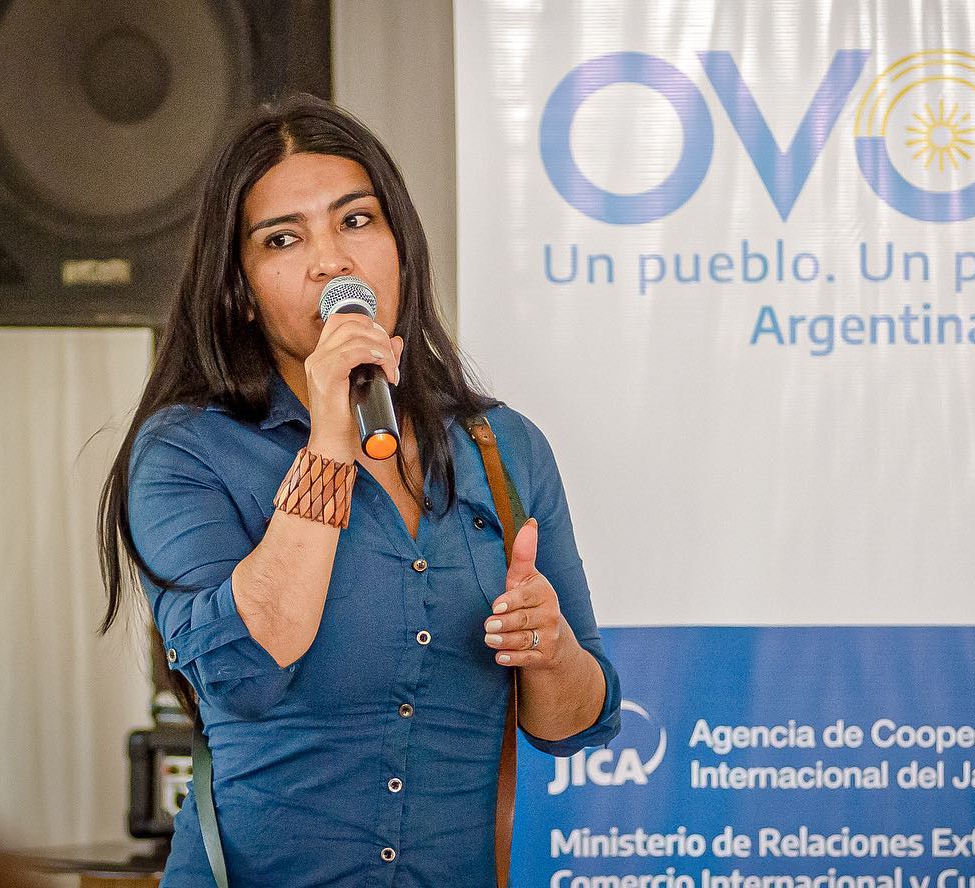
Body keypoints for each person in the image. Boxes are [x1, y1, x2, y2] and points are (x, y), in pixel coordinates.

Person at [97, 93, 621, 886]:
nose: (331, 261)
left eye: (356, 220)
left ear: (400, 247)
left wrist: (550, 651)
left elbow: (577, 725)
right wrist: (329, 443)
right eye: (283, 238)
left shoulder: (503, 446)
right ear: (240, 290)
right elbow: (245, 672)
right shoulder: (187, 452)